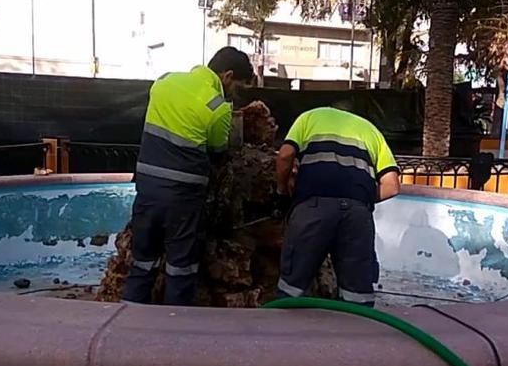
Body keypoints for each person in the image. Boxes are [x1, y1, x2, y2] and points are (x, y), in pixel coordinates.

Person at [122, 47, 254, 305]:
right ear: (227, 76)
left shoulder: (164, 82)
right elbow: (218, 151)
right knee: (180, 269)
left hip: (147, 189)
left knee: (142, 263)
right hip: (183, 199)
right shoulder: (217, 106)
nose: (237, 96)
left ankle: (127, 325)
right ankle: (175, 333)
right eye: (239, 87)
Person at [274, 100, 400, 306]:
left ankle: (284, 331)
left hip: (312, 207)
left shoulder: (310, 117)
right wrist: (359, 198)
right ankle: (353, 335)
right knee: (357, 296)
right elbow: (392, 186)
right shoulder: (371, 131)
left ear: (331, 109)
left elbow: (285, 155)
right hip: (357, 215)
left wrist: (281, 191)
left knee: (292, 288)